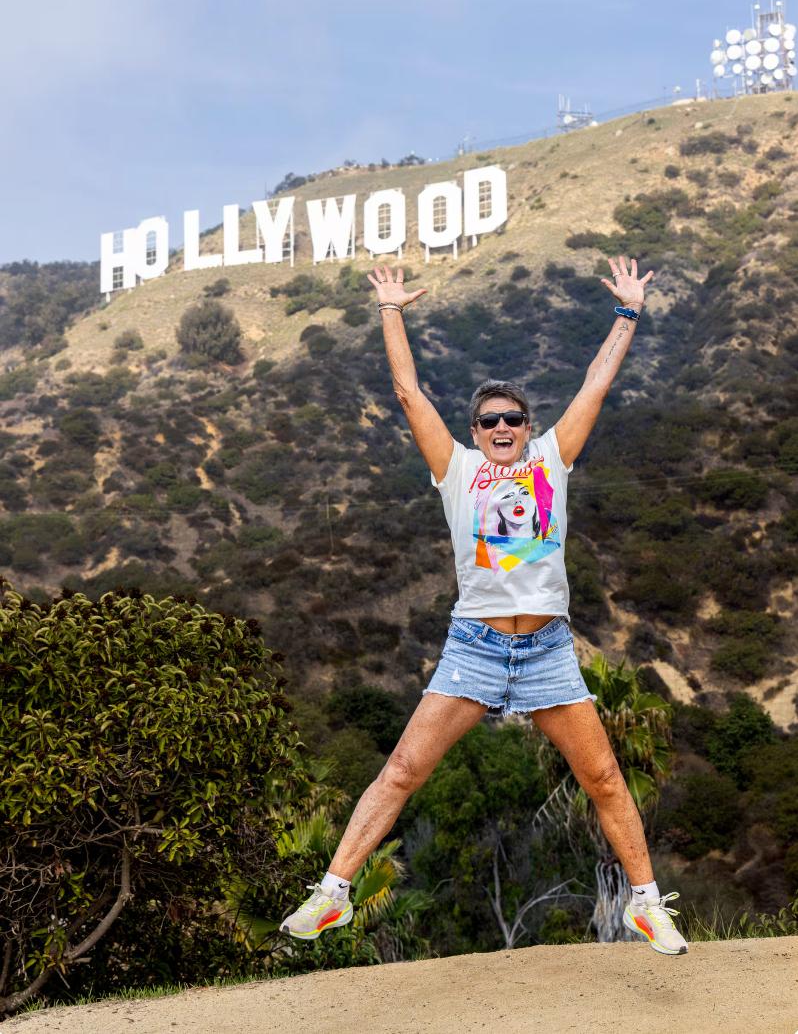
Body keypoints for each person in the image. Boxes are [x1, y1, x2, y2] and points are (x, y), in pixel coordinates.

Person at [280, 256, 688, 956]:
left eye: (513, 419)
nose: (502, 427)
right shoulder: (457, 470)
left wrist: (629, 312)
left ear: (528, 427)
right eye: (489, 420)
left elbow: (597, 384)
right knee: (404, 770)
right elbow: (409, 393)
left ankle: (646, 904)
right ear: (475, 431)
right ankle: (333, 893)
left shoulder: (553, 459)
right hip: (475, 647)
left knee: (602, 777)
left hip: (546, 652)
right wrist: (390, 309)